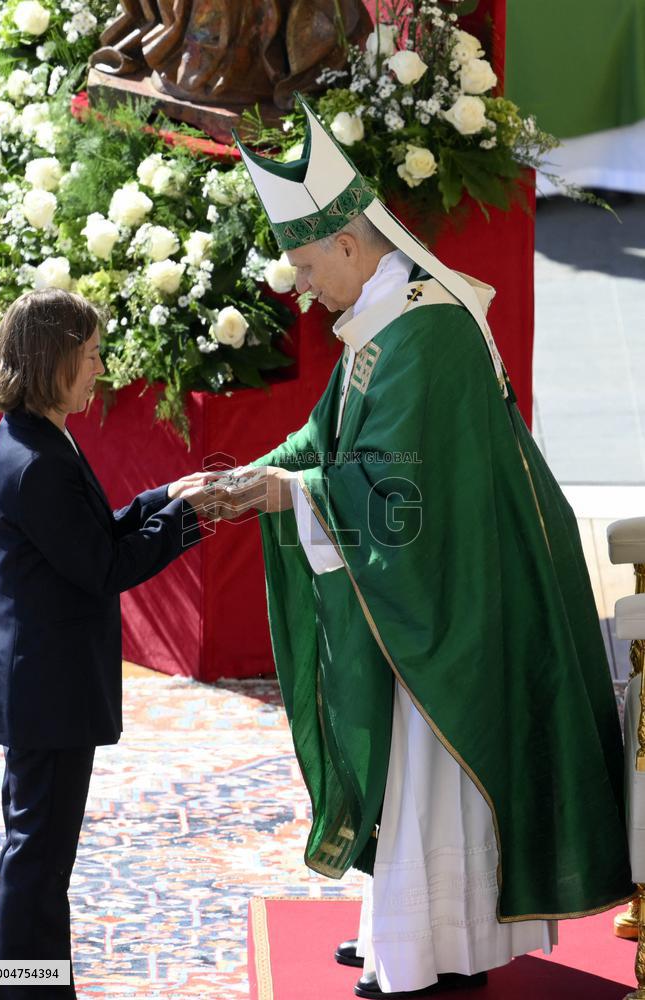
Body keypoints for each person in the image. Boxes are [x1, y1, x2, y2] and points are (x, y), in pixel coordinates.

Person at [213, 95, 634, 998]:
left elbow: (400, 487)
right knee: (414, 767)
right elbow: (331, 440)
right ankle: (405, 931)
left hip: (469, 585)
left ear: (351, 244)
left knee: (436, 754)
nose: (301, 284)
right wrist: (247, 473)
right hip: (443, 578)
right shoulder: (378, 318)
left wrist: (286, 492)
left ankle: (440, 947)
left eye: (305, 262)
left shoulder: (424, 328)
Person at [0, 288, 226, 999]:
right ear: (53, 359)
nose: (100, 368)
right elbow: (103, 568)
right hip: (46, 689)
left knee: (39, 855)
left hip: (42, 681)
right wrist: (185, 519)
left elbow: (87, 536)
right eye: (90, 355)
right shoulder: (38, 459)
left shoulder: (39, 434)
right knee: (36, 861)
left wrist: (162, 499)